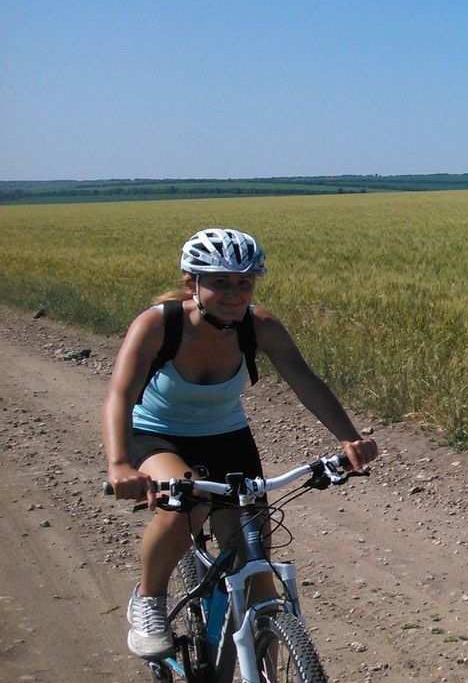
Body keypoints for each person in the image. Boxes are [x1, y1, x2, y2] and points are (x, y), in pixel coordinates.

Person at [103, 227, 379, 658]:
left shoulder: (260, 326)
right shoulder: (159, 324)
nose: (234, 294)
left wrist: (349, 438)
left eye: (244, 283)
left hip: (227, 439)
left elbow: (305, 381)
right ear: (192, 282)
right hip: (156, 435)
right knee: (188, 506)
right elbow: (120, 394)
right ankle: (148, 599)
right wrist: (120, 465)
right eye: (221, 282)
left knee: (256, 573)